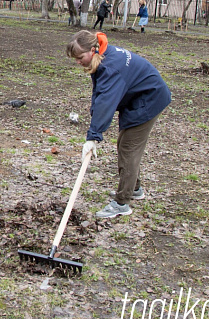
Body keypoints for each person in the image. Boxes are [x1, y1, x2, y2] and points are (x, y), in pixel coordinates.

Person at [66, 30, 171, 219]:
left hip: (149, 100)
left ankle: (123, 202)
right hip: (137, 98)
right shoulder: (102, 56)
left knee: (129, 148)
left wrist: (93, 136)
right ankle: (134, 188)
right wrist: (94, 120)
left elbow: (107, 102)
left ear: (92, 50)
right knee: (125, 145)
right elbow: (100, 92)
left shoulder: (111, 67)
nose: (78, 62)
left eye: (80, 57)